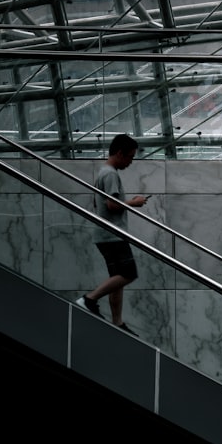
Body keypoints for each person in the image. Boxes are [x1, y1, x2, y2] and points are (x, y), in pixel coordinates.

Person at [75, 134, 149, 336]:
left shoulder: (103, 173)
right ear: (119, 153)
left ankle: (117, 322)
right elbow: (111, 204)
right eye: (130, 157)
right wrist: (134, 203)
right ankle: (89, 300)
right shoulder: (110, 174)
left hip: (105, 235)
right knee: (128, 274)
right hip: (112, 235)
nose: (131, 162)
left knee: (117, 279)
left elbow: (98, 203)